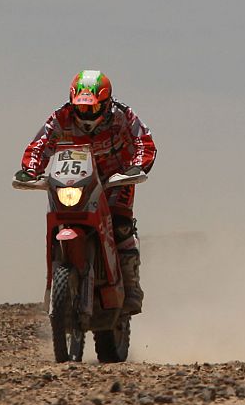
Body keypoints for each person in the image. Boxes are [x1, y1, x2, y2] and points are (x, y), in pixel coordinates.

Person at [16, 70, 157, 313]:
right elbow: (40, 143)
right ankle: (58, 281)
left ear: (106, 102)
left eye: (92, 109)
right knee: (58, 217)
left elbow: (143, 141)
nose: (85, 114)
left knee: (121, 223)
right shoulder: (61, 117)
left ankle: (131, 286)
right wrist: (29, 169)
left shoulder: (123, 116)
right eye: (81, 108)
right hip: (74, 182)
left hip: (116, 179)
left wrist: (137, 166)